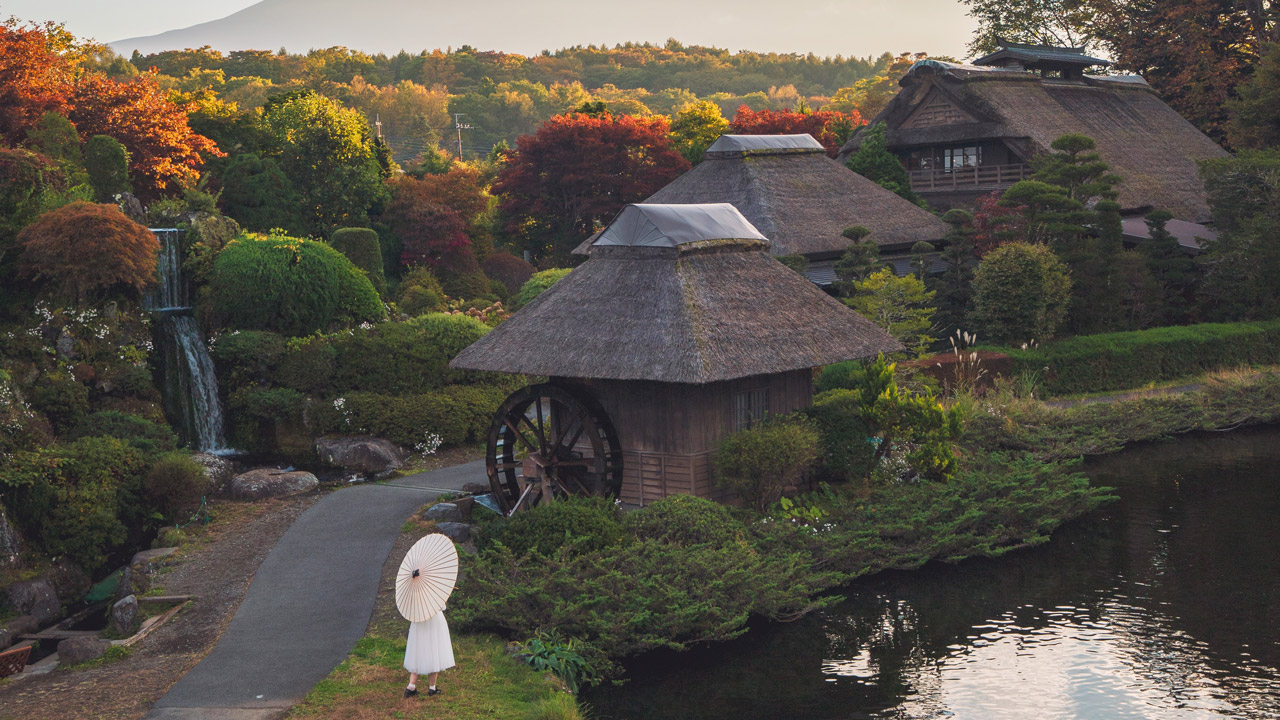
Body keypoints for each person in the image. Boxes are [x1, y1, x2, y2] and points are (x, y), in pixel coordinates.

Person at [403, 591, 455, 698]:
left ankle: (411, 686)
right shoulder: (433, 587)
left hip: (418, 620)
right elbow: (441, 606)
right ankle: (432, 688)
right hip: (434, 620)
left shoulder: (413, 590)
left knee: (418, 651)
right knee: (434, 650)